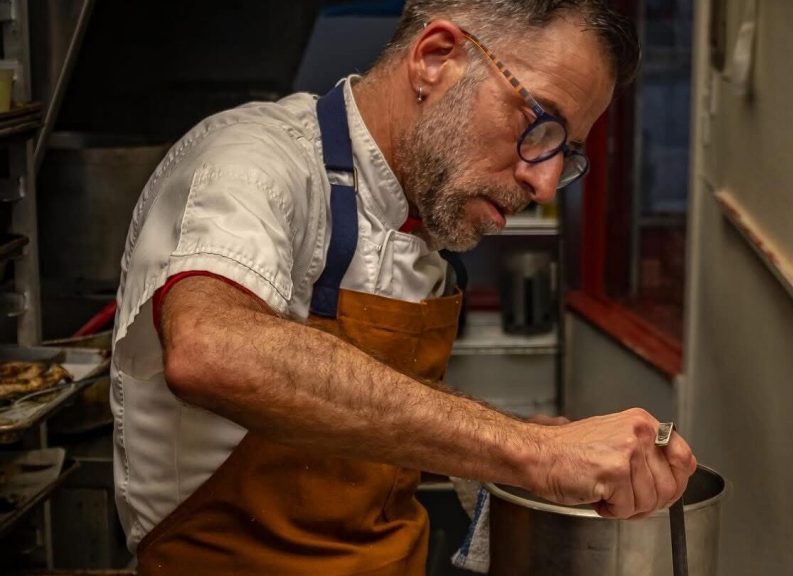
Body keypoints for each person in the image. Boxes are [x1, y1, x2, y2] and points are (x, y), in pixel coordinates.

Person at [111, 1, 697, 573]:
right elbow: (213, 351)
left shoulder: (422, 212)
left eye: (565, 154)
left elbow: (365, 417)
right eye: (539, 125)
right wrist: (532, 453)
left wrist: (510, 453)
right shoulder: (252, 161)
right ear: (436, 58)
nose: (544, 184)